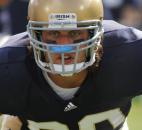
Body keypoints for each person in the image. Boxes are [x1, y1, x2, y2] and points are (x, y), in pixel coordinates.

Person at [0, 0, 142, 130]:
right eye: (54, 33)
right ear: (35, 33)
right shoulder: (9, 67)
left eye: (75, 32)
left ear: (97, 33)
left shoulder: (129, 52)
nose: (64, 45)